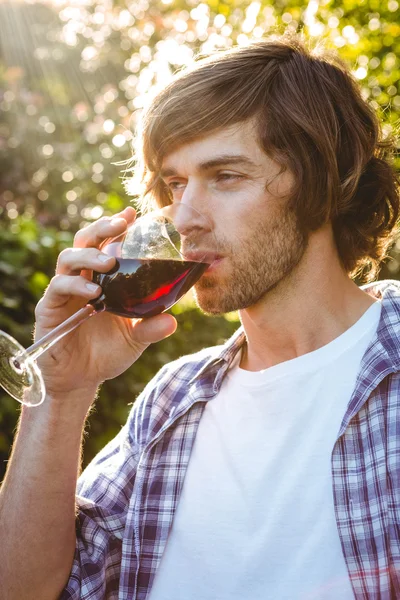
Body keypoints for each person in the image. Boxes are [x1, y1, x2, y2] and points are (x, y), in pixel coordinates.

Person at [1, 34, 399, 600]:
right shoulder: (172, 401)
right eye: (174, 183)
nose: (184, 217)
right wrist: (64, 393)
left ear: (323, 179)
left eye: (226, 176)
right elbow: (18, 588)